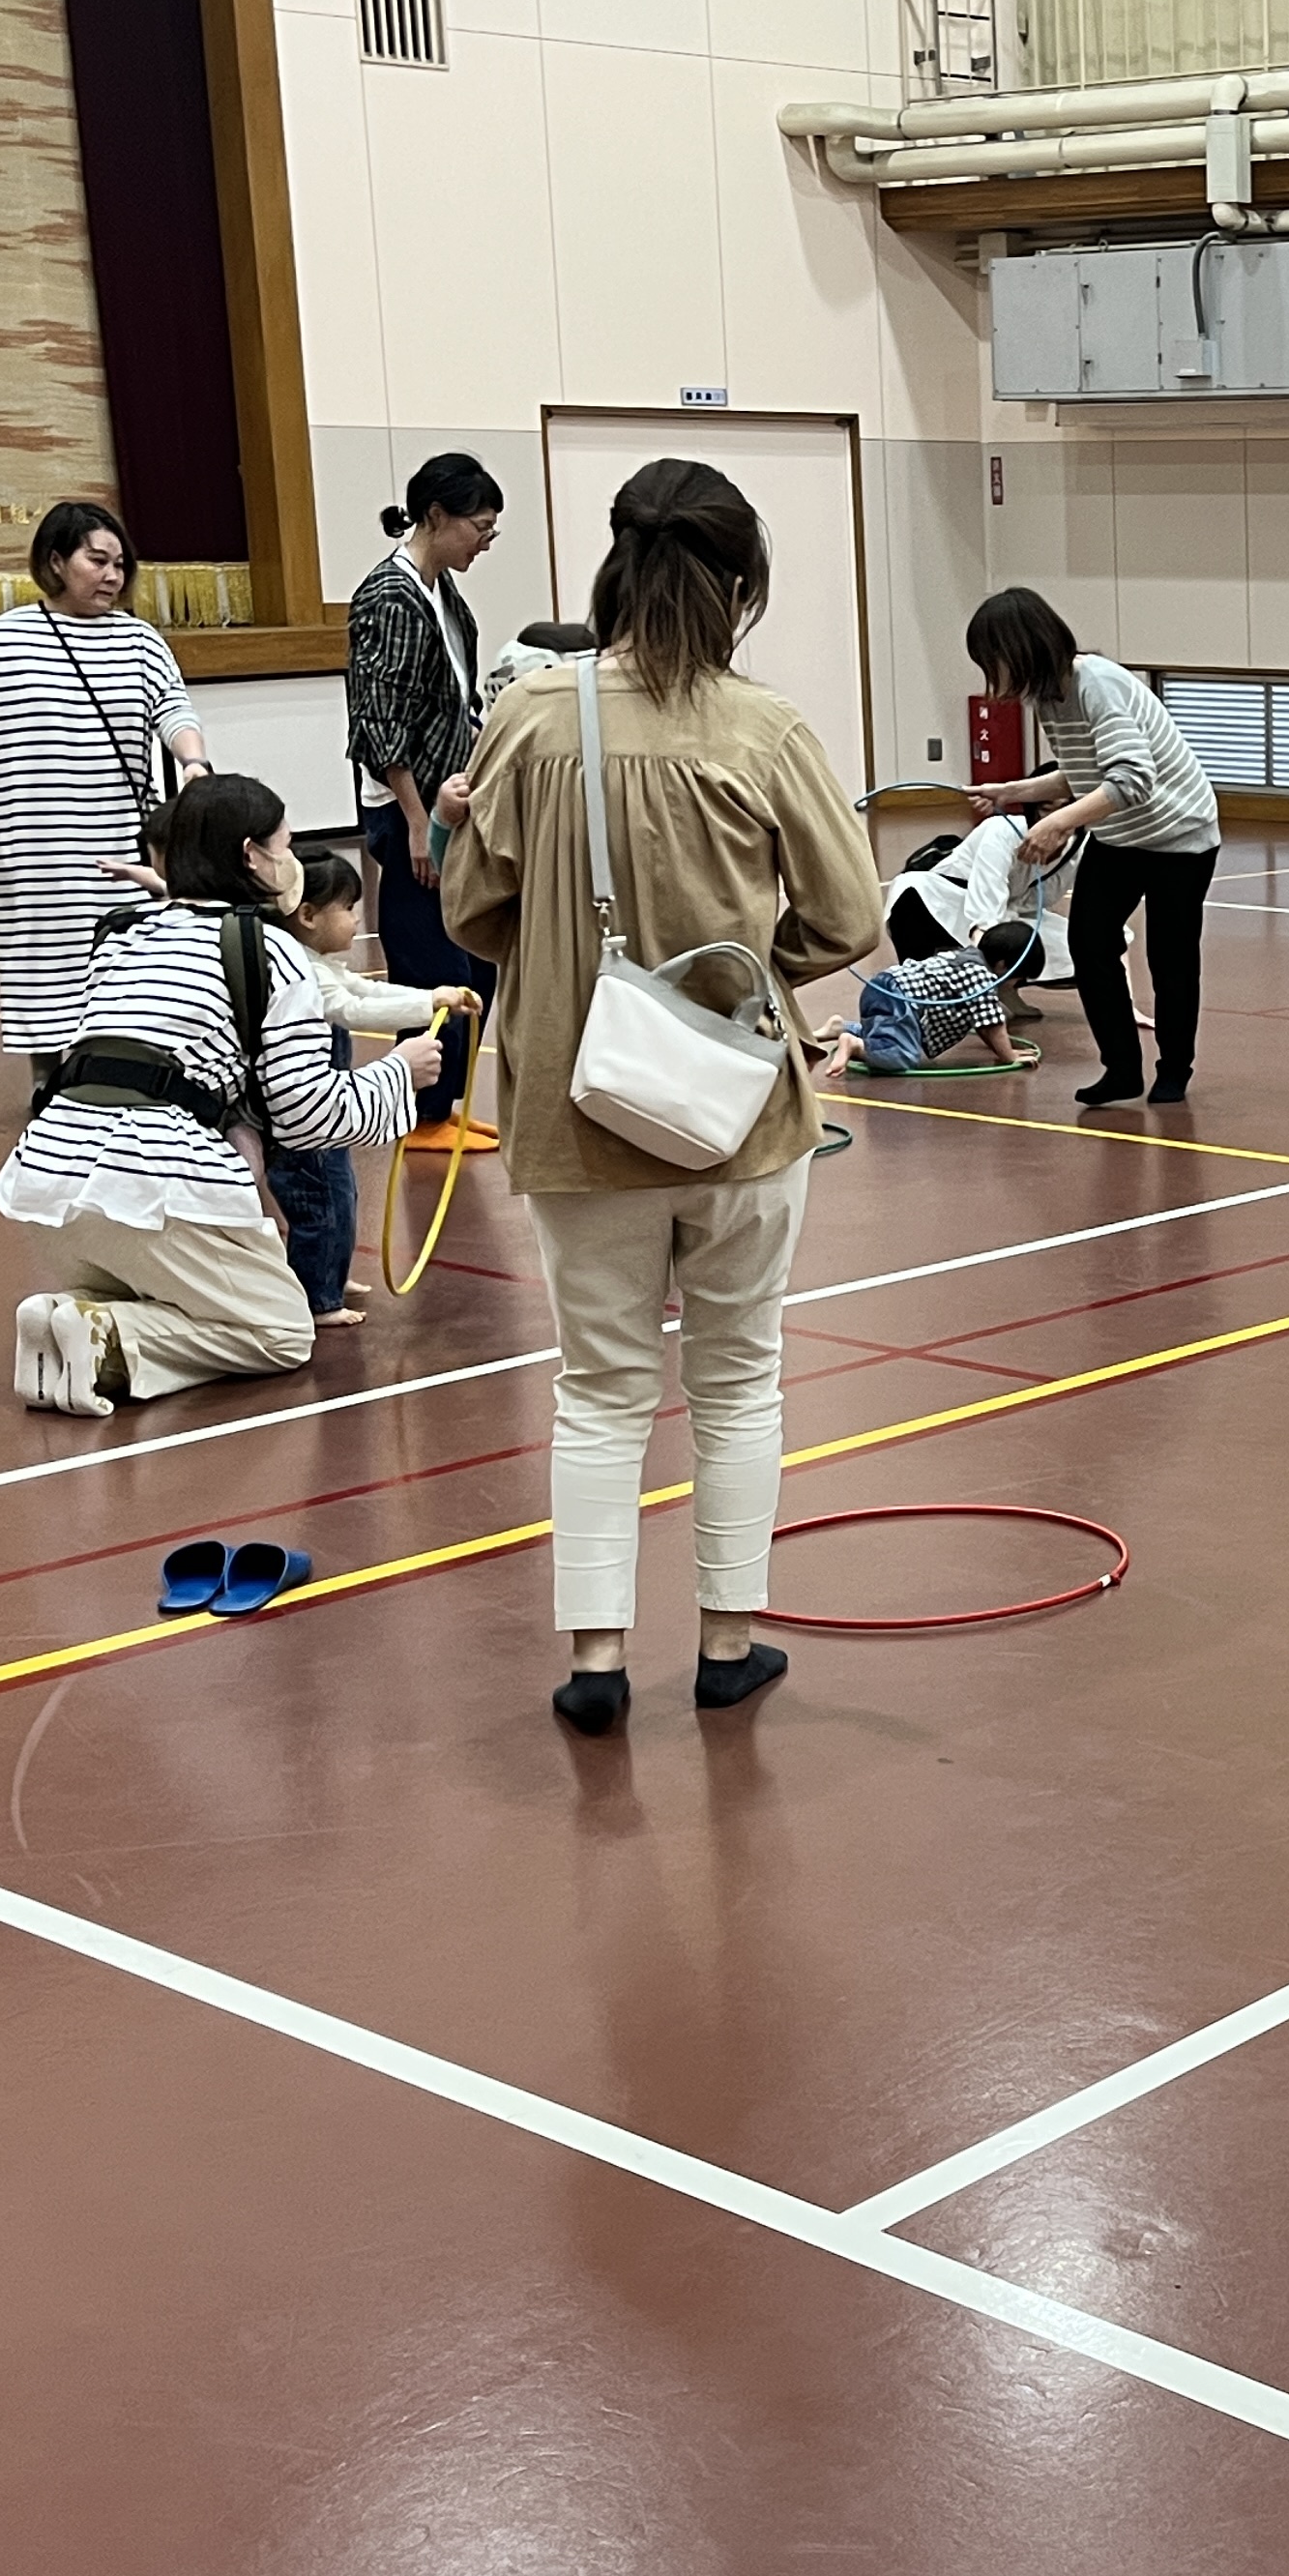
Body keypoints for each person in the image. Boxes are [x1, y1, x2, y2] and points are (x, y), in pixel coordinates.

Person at [440, 456, 886, 1736]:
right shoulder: (765, 729)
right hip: (738, 1113)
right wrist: (740, 976)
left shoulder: (532, 715)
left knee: (598, 1386)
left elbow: (472, 911)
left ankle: (596, 1660)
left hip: (575, 1108)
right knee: (739, 1379)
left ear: (615, 566)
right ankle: (728, 1644)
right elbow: (847, 913)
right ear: (739, 583)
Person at [0, 776, 437, 1415]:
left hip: (50, 1184)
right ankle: (109, 1335)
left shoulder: (123, 934)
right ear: (252, 855)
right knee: (280, 1329)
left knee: (166, 1283)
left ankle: (66, 1314)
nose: (292, 860)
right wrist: (398, 1073)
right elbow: (309, 1117)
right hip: (154, 1187)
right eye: (284, 845)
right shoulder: (273, 952)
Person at [0, 500, 208, 1087]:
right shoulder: (3, 638)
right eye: (96, 561)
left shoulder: (141, 640)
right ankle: (48, 1081)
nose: (112, 576)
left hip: (120, 837)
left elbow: (174, 709)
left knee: (126, 956)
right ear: (56, 562)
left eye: (120, 564)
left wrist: (194, 761)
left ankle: (121, 1072)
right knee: (42, 963)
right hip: (33, 843)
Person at [962, 587, 1219, 1108]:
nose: (991, 677)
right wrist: (1013, 790)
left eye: (992, 661)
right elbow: (1084, 772)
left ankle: (1174, 1069)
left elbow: (1132, 780)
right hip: (1120, 835)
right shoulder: (1047, 699)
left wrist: (1058, 823)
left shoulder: (1097, 683)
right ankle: (1121, 1069)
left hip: (1180, 837)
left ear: (1021, 650)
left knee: (1170, 958)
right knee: (1089, 943)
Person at [347, 451, 508, 1150]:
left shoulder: (441, 591)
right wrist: (418, 823)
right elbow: (379, 722)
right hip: (408, 810)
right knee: (433, 967)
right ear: (436, 517)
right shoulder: (390, 597)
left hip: (450, 803)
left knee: (478, 962)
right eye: (479, 527)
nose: (485, 542)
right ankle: (421, 1115)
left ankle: (444, 1106)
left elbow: (452, 700)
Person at [268, 854, 471, 1326]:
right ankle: (318, 1296)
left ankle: (330, 1275)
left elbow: (366, 991)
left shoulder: (319, 964)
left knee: (340, 1192)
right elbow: (354, 1010)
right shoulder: (302, 971)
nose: (357, 919)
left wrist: (431, 998)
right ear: (308, 915)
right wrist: (427, 1005)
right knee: (319, 1200)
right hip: (306, 1115)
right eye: (348, 908)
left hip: (328, 1115)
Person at [882, 811, 1072, 995]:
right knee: (909, 888)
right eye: (1046, 808)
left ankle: (1005, 989)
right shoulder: (1003, 829)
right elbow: (985, 902)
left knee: (1077, 948)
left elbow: (1037, 900)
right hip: (953, 901)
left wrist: (1012, 929)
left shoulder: (1076, 849)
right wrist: (985, 953)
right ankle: (919, 989)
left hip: (1010, 911)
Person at [829, 919, 1040, 1076]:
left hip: (883, 986)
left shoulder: (967, 957)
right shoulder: (982, 978)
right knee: (902, 1056)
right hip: (900, 999)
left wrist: (1004, 1051)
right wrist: (1009, 1056)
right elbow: (992, 1026)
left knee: (890, 1032)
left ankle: (842, 1027)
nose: (1015, 985)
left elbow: (984, 1027)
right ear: (1003, 965)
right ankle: (855, 1044)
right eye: (1018, 979)